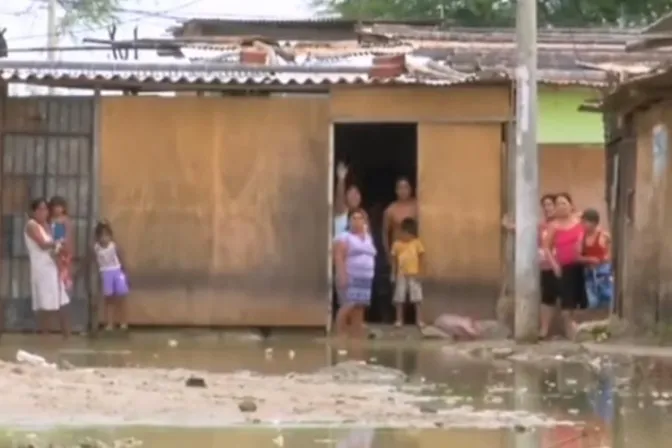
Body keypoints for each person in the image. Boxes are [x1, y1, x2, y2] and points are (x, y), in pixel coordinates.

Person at [543, 193, 586, 339]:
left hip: (581, 265)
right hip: (564, 266)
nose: (561, 207)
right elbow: (546, 247)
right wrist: (554, 265)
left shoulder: (579, 220)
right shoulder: (553, 226)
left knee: (577, 300)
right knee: (566, 301)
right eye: (558, 204)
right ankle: (570, 332)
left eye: (564, 203)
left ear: (571, 205)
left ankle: (575, 331)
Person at [24, 197, 70, 337]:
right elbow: (43, 245)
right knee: (46, 306)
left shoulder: (48, 226)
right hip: (42, 269)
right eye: (40, 209)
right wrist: (57, 242)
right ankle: (45, 337)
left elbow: (54, 248)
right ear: (34, 211)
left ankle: (66, 336)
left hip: (52, 267)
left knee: (62, 302)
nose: (43, 212)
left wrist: (61, 250)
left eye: (45, 209)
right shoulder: (31, 225)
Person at [334, 209, 376, 337]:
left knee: (360, 306)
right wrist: (342, 275)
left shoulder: (368, 237)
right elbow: (338, 257)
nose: (357, 221)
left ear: (365, 221)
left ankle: (356, 333)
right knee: (349, 304)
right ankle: (340, 333)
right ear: (349, 221)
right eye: (354, 218)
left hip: (365, 278)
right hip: (351, 275)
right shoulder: (345, 237)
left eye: (360, 218)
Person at [92, 220, 130, 331]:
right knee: (109, 300)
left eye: (107, 235)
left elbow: (121, 258)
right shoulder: (96, 248)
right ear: (97, 237)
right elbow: (92, 260)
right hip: (105, 273)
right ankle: (109, 323)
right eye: (102, 236)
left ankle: (123, 322)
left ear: (110, 236)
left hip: (117, 272)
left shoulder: (114, 246)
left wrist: (125, 272)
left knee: (121, 298)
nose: (104, 238)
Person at [390, 218, 425, 328]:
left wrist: (421, 272)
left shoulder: (416, 243)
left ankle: (419, 320)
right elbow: (394, 260)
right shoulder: (397, 244)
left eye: (408, 234)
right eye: (403, 233)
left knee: (417, 298)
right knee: (399, 298)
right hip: (401, 274)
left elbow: (421, 258)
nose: (405, 236)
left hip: (414, 274)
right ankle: (399, 320)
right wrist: (393, 273)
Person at [579, 208, 613, 309]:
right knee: (592, 300)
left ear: (594, 223)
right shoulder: (582, 236)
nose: (583, 225)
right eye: (583, 222)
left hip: (603, 271)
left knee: (607, 297)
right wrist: (588, 260)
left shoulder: (604, 235)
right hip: (589, 271)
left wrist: (605, 260)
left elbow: (610, 254)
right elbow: (578, 254)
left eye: (586, 222)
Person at [382, 177, 417, 257]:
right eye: (400, 188)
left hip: (414, 253)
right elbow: (385, 234)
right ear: (396, 191)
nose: (403, 191)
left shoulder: (417, 206)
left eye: (406, 187)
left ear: (410, 189)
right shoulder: (390, 210)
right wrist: (388, 255)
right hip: (398, 254)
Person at [333, 162, 366, 237]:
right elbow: (339, 196)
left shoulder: (363, 214)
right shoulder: (341, 213)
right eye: (352, 194)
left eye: (357, 193)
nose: (355, 197)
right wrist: (341, 178)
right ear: (345, 197)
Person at [48, 196, 74, 292]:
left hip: (64, 248)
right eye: (55, 207)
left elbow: (68, 234)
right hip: (53, 247)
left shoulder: (65, 220)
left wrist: (64, 244)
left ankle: (65, 285)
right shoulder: (50, 220)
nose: (57, 209)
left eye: (60, 206)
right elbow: (49, 232)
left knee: (64, 268)